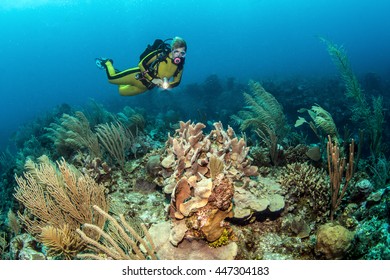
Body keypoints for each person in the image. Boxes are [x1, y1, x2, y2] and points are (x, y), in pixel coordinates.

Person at [95, 37, 187, 96]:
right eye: (176, 52)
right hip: (137, 76)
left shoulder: (180, 67)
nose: (179, 56)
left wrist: (166, 85)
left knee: (121, 92)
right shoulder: (161, 54)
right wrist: (152, 79)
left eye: (182, 53)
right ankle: (107, 63)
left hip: (145, 88)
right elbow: (142, 64)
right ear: (172, 50)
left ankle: (118, 72)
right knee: (111, 79)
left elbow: (177, 82)